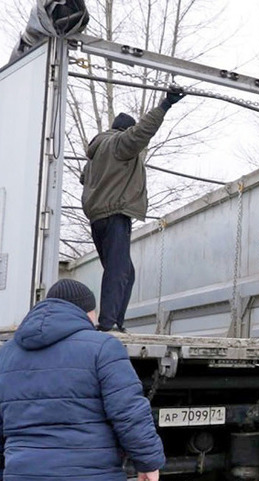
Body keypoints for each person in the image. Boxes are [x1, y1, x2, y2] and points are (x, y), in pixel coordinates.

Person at [0, 279, 165, 481]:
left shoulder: (7, 354)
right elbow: (128, 412)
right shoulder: (103, 347)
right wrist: (148, 461)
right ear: (87, 312)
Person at [81, 86, 187, 332]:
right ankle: (108, 324)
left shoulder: (95, 155)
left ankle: (115, 320)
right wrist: (165, 105)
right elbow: (142, 132)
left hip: (97, 218)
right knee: (119, 271)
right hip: (115, 213)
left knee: (124, 270)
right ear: (124, 131)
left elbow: (84, 179)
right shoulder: (119, 144)